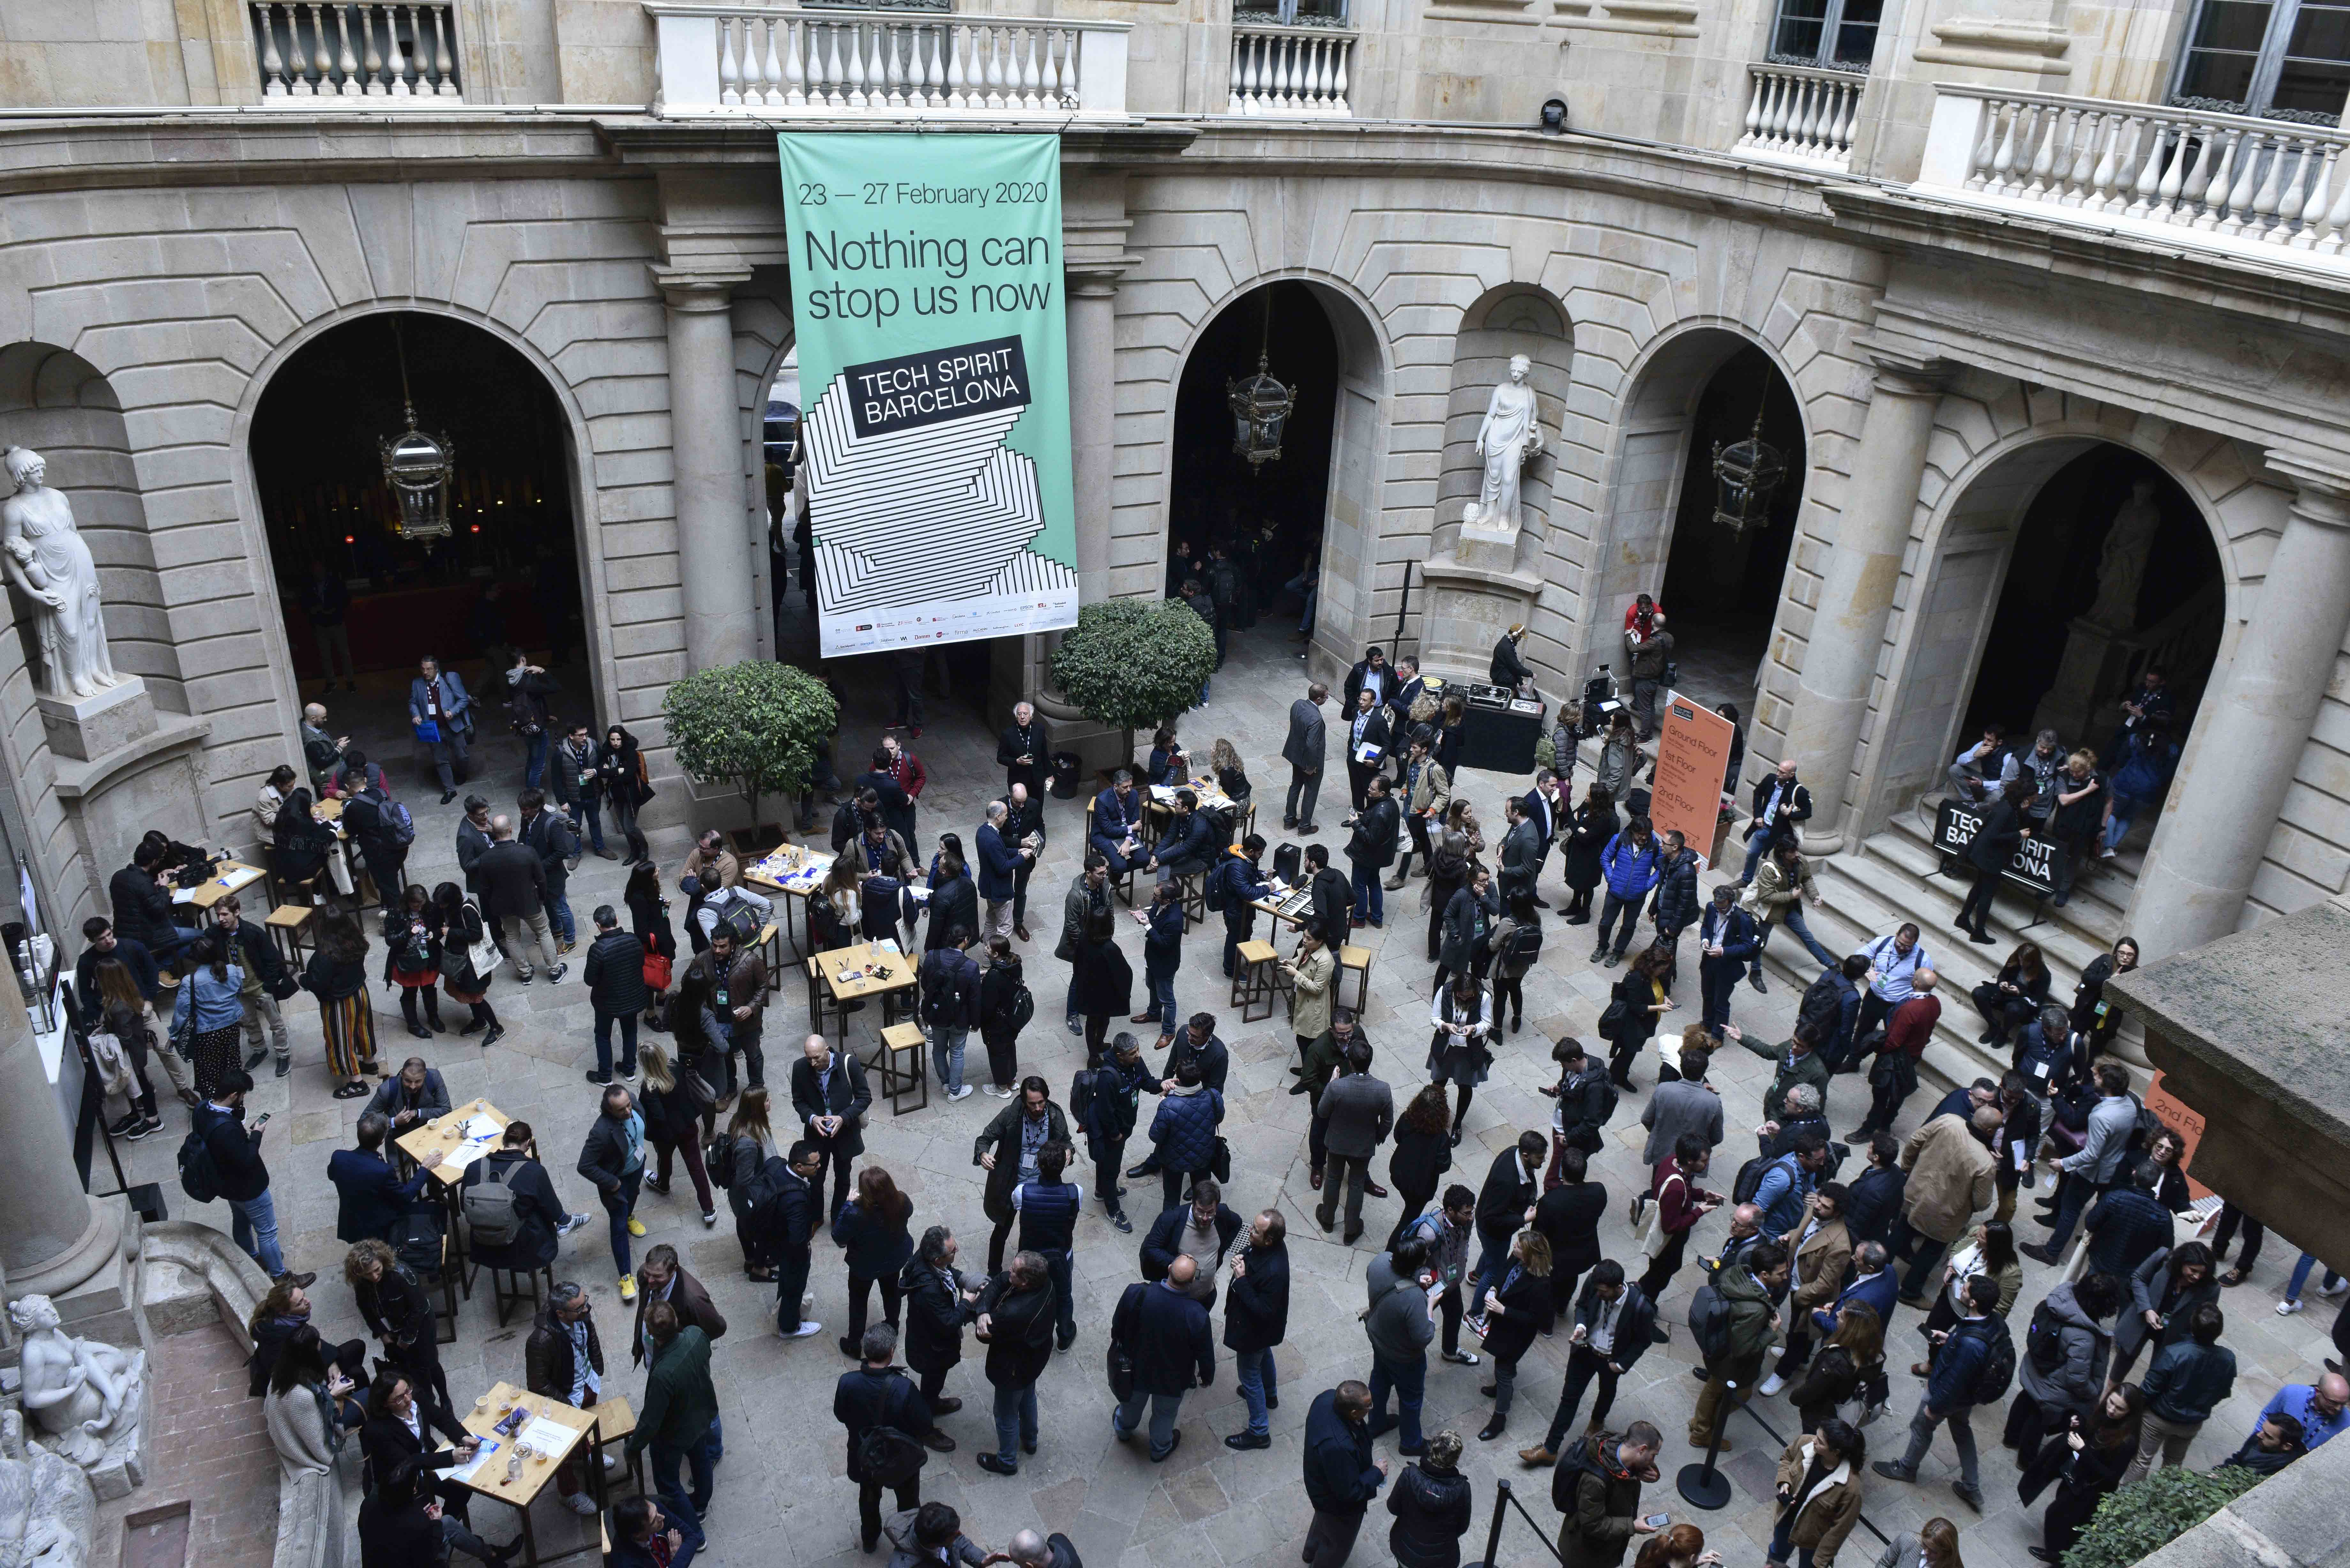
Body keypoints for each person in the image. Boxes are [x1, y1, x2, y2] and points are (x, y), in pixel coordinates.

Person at [1871, 1273, 2000, 1511]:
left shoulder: (1971, 1345)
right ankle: (1972, 1485)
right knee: (1962, 1429)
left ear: (1973, 1302)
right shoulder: (1991, 1321)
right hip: (1969, 1396)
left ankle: (1908, 1468)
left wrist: (1934, 1407)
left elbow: (1954, 1380)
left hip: (1947, 1393)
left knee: (1922, 1426)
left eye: (1966, 1290)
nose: (1961, 1290)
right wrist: (1952, 1339)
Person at [194, 1068, 307, 1284]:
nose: (243, 1099)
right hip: (249, 1188)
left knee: (241, 1221)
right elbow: (246, 1159)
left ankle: (252, 1258)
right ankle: (280, 1276)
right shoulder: (226, 1129)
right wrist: (257, 1134)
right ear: (234, 1095)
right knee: (267, 1231)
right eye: (243, 1095)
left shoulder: (202, 1109)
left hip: (227, 1185)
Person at [2025, 1060, 2142, 1260]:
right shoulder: (2132, 1102)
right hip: (2113, 1167)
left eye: (2097, 1077)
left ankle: (2052, 1252)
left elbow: (2092, 1154)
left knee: (2071, 1209)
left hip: (2093, 1171)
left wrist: (2063, 1164)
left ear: (2107, 1084)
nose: (2093, 1078)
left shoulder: (2102, 1116)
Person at [2006, 1271, 2121, 1469]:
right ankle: (2026, 1461)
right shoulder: (2084, 1338)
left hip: (2036, 1369)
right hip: (2052, 1388)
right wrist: (2093, 1392)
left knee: (2026, 1399)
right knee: (2039, 1418)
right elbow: (2077, 1379)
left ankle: (2011, 1438)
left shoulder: (2060, 1301)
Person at [1110, 1253, 1215, 1462]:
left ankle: (1123, 1430)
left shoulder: (1136, 1293)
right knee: (1165, 1415)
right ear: (1193, 1282)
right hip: (1172, 1380)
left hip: (1135, 1371)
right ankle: (1159, 1448)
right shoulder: (1197, 1315)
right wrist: (1207, 1376)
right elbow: (1205, 1353)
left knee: (1131, 1405)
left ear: (1169, 1269)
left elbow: (1117, 1327)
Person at [631, 1300, 721, 1538]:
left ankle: (694, 1535)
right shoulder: (697, 1335)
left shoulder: (662, 1375)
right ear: (677, 1321)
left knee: (669, 1484)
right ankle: (700, 1505)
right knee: (701, 1460)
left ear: (651, 1334)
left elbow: (650, 1421)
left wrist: (633, 1448)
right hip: (702, 1416)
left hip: (674, 1435)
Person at [1688, 1240, 1788, 1453]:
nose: (1785, 1278)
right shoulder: (1756, 1310)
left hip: (1719, 1352)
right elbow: (1744, 1350)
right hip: (1733, 1364)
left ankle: (1699, 1425)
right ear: (1764, 1275)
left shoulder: (1738, 1274)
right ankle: (1704, 1434)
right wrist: (1771, 1332)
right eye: (1780, 1274)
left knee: (1713, 1388)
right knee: (1740, 1396)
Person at [1892, 1107, 1999, 1303]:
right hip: (1945, 1214)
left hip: (1916, 1192)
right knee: (1930, 1251)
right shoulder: (1986, 1163)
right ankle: (1910, 1292)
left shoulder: (1948, 1120)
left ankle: (1878, 1266)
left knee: (1902, 1229)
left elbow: (1915, 1140)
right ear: (1991, 1132)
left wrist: (1907, 1169)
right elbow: (1982, 1202)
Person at [1760, 1185, 1853, 1397]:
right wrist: (1791, 1237)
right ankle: (1802, 1360)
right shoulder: (1816, 1211)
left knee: (1799, 1334)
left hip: (1810, 1295)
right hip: (1796, 1281)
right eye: (1818, 1200)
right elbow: (1806, 1234)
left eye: (1824, 1206)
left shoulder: (1840, 1245)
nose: (1817, 1206)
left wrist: (1801, 1295)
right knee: (1797, 1329)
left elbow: (1826, 1283)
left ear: (1837, 1213)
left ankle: (1782, 1374)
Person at [974, 1075, 1072, 1270]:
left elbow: (1067, 1141)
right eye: (1032, 1104)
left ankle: (1025, 1272)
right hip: (1011, 1181)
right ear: (1024, 1102)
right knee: (1002, 1230)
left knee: (1032, 1233)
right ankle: (994, 1271)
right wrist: (983, 1154)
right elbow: (985, 1137)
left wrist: (1069, 1151)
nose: (1037, 1108)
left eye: (1041, 1103)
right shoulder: (1011, 1114)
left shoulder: (1054, 1116)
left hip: (1039, 1185)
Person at [1217, 1208, 1291, 1452]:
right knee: (1265, 1355)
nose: (1250, 1231)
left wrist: (1241, 1280)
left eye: (1255, 1231)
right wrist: (1240, 1259)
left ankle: (1259, 1432)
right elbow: (1250, 1252)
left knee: (1250, 1376)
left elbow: (1263, 1310)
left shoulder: (1274, 1271)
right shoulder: (1272, 1247)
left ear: (1269, 1240)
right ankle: (1270, 1395)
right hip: (1264, 1333)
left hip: (1254, 1330)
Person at [1468, 1228, 1552, 1442]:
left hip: (1517, 1333)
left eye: (1518, 1246)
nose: (1514, 1247)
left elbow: (1536, 1319)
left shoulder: (1541, 1285)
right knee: (1503, 1362)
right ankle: (1500, 1388)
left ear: (1530, 1256)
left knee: (1503, 1370)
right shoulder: (1517, 1259)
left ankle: (1499, 1418)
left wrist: (1503, 1310)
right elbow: (1504, 1273)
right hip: (1504, 1324)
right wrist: (1494, 1289)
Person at [461, 1121, 578, 1274]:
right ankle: (567, 1222)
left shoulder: (473, 1168)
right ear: (528, 1144)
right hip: (526, 1252)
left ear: (504, 1141)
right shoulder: (534, 1172)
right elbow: (552, 1211)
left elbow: (464, 1208)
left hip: (483, 1250)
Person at [1303, 1381, 1390, 1568]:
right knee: (1337, 1545)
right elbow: (1349, 1492)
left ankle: (1310, 1552)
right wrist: (1377, 1473)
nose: (1371, 1409)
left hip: (1320, 1488)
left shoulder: (1326, 1399)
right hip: (1335, 1503)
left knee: (1323, 1523)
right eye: (1369, 1406)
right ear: (1354, 1413)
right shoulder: (1338, 1447)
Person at [1554, 1420, 1664, 1568]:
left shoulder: (1623, 1445)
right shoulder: (1595, 1482)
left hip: (1606, 1548)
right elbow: (1593, 1525)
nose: (1653, 1461)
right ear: (1642, 1450)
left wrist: (1652, 1474)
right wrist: (1632, 1526)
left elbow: (1633, 1469)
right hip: (1585, 1556)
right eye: (1654, 1455)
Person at [834, 1165, 917, 1359]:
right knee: (891, 1292)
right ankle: (892, 1326)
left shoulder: (855, 1213)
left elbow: (839, 1238)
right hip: (894, 1259)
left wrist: (848, 1204)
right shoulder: (902, 1201)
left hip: (864, 1266)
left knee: (858, 1300)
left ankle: (854, 1343)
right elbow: (909, 1212)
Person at [1366, 1238, 1439, 1458]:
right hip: (1404, 1356)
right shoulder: (1414, 1298)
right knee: (1411, 1398)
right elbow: (1424, 1336)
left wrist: (1415, 1280)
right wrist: (1430, 1307)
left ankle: (1376, 1423)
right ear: (1416, 1265)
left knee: (1379, 1380)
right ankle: (1411, 1442)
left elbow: (1390, 1281)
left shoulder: (1379, 1262)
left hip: (1380, 1339)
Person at [1317, 1044, 1395, 1245]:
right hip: (1363, 1145)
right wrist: (1378, 1137)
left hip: (1337, 1141)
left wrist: (1330, 1082)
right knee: (1357, 1183)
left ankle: (1327, 1220)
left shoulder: (1337, 1087)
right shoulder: (1383, 1089)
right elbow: (1387, 1122)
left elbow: (1322, 1112)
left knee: (1334, 1178)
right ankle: (1351, 1230)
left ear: (1350, 1063)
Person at [793, 1033, 873, 1222]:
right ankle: (816, 1218)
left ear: (827, 1050)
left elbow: (865, 1097)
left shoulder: (849, 1064)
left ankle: (839, 1218)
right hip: (816, 1135)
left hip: (844, 1134)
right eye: (809, 1059)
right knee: (815, 1179)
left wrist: (843, 1117)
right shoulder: (800, 1068)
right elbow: (799, 1101)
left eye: (817, 1058)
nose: (813, 1064)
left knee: (843, 1177)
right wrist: (812, 1118)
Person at [578, 1082, 648, 1300]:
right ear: (609, 1110)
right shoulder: (601, 1132)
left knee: (634, 1195)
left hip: (636, 1167)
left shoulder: (633, 1103)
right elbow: (585, 1166)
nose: (628, 1111)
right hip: (617, 1181)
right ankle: (625, 1277)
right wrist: (612, 1183)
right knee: (618, 1227)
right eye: (622, 1110)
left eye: (628, 1105)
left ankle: (630, 1216)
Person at [474, 814, 565, 983]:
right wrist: (542, 899)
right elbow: (541, 880)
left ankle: (525, 973)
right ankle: (554, 971)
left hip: (504, 906)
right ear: (511, 829)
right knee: (544, 932)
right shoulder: (527, 852)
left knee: (512, 937)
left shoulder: (486, 858)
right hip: (530, 902)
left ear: (494, 833)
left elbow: (485, 888)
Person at [900, 1225, 978, 1413]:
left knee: (934, 1382)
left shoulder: (927, 1258)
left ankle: (932, 1402)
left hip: (930, 1341)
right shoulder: (929, 1291)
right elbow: (950, 1322)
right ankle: (927, 1420)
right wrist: (966, 1303)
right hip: (931, 1349)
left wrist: (965, 1279)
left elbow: (949, 1274)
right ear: (938, 1259)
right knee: (933, 1381)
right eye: (953, 1251)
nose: (957, 1251)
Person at [1769, 1420, 1866, 1568]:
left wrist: (1820, 1561)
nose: (1814, 1440)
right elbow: (1787, 1458)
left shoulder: (1851, 1488)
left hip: (1813, 1541)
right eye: (1817, 1435)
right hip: (1786, 1519)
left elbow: (1840, 1530)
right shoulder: (1806, 1443)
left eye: (1820, 1442)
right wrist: (1785, 1482)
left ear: (1835, 1452)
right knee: (1776, 1557)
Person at [1531, 1142, 1607, 1321]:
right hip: (1584, 1252)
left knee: (1549, 1289)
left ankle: (1546, 1323)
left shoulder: (1550, 1202)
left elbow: (1538, 1235)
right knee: (1571, 1280)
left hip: (1556, 1257)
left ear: (1562, 1171)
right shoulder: (1599, 1190)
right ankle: (1562, 1307)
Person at [1079, 1035, 1146, 1233]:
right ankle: (1113, 1209)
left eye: (1138, 1051)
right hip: (1109, 1133)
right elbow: (1105, 1112)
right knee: (1110, 1168)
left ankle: (1102, 1191)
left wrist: (1163, 1085)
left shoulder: (1134, 1063)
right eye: (1133, 1054)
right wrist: (1116, 1135)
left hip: (1122, 1128)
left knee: (1108, 1165)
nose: (1138, 1056)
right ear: (1120, 1056)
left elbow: (1146, 1081)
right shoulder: (1108, 1077)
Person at [1385, 1427, 1472, 1568]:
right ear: (1456, 1459)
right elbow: (1462, 1527)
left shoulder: (1408, 1475)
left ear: (1432, 1449)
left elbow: (1393, 1507)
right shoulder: (1463, 1490)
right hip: (1441, 1560)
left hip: (1406, 1552)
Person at [1387, 1086, 1455, 1253]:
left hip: (1399, 1174)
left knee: (1409, 1211)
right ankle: (1390, 1253)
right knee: (1408, 1219)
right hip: (1420, 1187)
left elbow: (1397, 1137)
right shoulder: (1441, 1138)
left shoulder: (1407, 1119)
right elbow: (1443, 1165)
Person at [1641, 1036, 1723, 1165]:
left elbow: (1647, 1120)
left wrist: (1659, 1132)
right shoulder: (1713, 1102)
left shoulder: (1663, 1090)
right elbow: (1717, 1137)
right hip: (1692, 1158)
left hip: (1662, 1153)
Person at [1605, 946, 1676, 1093]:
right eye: (1662, 969)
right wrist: (1659, 1008)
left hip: (1646, 1024)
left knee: (1630, 1052)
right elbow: (1635, 1007)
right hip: (1632, 1025)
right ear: (1652, 966)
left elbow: (1655, 992)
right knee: (1627, 1052)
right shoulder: (1635, 979)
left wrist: (1665, 998)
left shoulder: (1653, 977)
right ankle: (1612, 1079)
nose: (1663, 972)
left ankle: (1619, 1076)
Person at [1594, 816, 1661, 967]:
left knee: (1629, 926)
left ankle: (1618, 952)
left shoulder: (1655, 846)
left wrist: (1647, 886)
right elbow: (1605, 858)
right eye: (1641, 834)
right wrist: (1612, 879)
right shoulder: (1619, 840)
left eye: (1647, 834)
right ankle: (1602, 947)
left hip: (1637, 896)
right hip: (1615, 892)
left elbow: (1660, 868)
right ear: (1632, 831)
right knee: (1606, 923)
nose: (1644, 837)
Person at [1072, 909, 1134, 1070]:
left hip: (1089, 990)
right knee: (1102, 1020)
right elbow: (1123, 973)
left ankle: (1097, 1047)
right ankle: (1094, 1055)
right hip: (1105, 993)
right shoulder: (1110, 948)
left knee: (1093, 1022)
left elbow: (1077, 963)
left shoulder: (1084, 940)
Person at [407, 654, 473, 803]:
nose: (425, 673)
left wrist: (453, 711)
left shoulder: (450, 679)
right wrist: (416, 715)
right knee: (440, 760)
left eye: (429, 669)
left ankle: (462, 774)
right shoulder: (417, 684)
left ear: (437, 669)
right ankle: (450, 790)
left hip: (453, 726)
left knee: (462, 756)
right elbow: (413, 703)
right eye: (423, 669)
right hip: (433, 729)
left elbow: (463, 699)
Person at [1694, 886, 1758, 1035]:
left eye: (1722, 906)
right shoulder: (1711, 908)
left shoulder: (1742, 919)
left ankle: (1718, 1036)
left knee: (1720, 1002)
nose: (1719, 909)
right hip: (1709, 960)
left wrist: (1723, 951)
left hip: (1727, 966)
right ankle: (1707, 1024)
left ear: (1730, 902)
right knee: (1707, 995)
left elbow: (1747, 947)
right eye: (1717, 905)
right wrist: (1705, 940)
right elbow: (1705, 927)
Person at [1738, 758, 1813, 886]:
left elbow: (1807, 813)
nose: (1778, 774)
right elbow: (1757, 794)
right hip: (1764, 827)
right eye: (1778, 770)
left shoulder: (1799, 791)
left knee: (1781, 862)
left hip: (1782, 834)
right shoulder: (1770, 779)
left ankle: (1786, 887)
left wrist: (1790, 815)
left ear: (1792, 775)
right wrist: (1758, 815)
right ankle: (1746, 880)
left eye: (1783, 772)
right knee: (1752, 854)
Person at [1561, 786, 1617, 926]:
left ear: (1596, 800)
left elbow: (1587, 838)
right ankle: (1575, 904)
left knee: (1587, 884)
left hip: (1591, 856)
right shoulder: (1587, 805)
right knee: (1577, 879)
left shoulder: (1604, 818)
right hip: (1579, 851)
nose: (1586, 798)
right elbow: (1572, 816)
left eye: (1589, 796)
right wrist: (1579, 828)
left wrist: (1576, 826)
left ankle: (1585, 912)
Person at [1284, 682, 1331, 835]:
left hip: (1296, 755)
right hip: (1310, 762)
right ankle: (1305, 826)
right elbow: (1312, 745)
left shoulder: (1297, 705)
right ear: (1318, 699)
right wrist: (1311, 767)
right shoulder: (1316, 718)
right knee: (1311, 792)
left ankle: (1290, 819)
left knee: (1295, 786)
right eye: (1326, 697)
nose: (1327, 699)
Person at [1491, 623, 1535, 694]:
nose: (1520, 640)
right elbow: (1516, 667)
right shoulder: (1506, 647)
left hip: (1506, 684)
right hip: (1504, 686)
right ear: (1515, 635)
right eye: (1520, 637)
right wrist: (1532, 675)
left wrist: (1521, 683)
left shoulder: (1507, 644)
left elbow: (1512, 667)